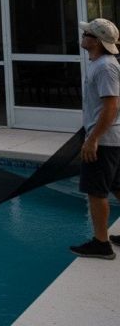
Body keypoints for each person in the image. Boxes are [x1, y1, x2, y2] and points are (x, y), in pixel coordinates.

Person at [69, 17, 120, 259]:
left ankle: (101, 244)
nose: (83, 36)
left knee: (96, 192)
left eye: (87, 33)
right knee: (117, 185)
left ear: (96, 41)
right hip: (112, 138)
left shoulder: (105, 67)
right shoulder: (101, 63)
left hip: (106, 140)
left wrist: (93, 139)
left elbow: (111, 106)